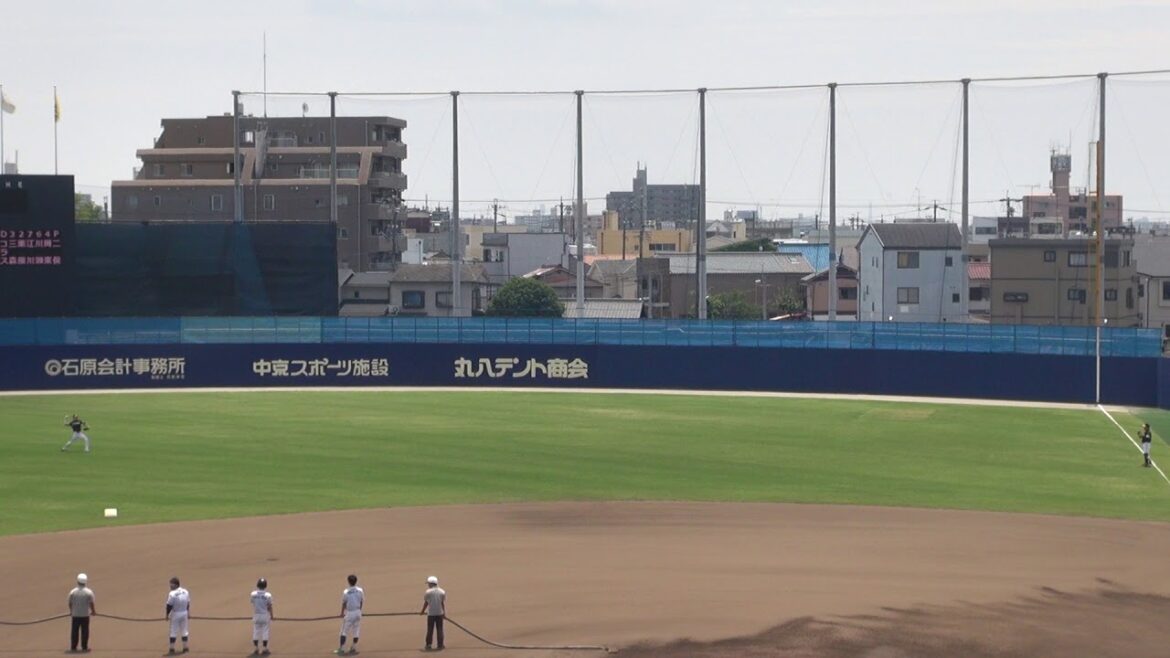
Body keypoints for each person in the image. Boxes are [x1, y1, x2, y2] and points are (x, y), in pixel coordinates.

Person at [68, 573, 96, 653]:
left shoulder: (73, 592)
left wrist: (71, 611)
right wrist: (93, 611)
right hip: (85, 615)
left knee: (74, 631)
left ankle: (73, 647)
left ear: (77, 581)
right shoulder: (88, 592)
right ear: (85, 582)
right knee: (85, 631)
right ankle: (84, 647)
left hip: (75, 615)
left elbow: (70, 603)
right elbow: (91, 603)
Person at [337, 574, 364, 655]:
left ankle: (341, 649)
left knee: (344, 632)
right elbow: (361, 601)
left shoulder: (346, 591)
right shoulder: (360, 590)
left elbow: (344, 603)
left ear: (348, 581)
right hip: (358, 612)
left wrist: (342, 613)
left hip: (349, 613)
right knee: (356, 630)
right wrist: (360, 610)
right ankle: (353, 647)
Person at [419, 575, 446, 651]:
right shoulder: (442, 591)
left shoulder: (428, 592)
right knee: (440, 629)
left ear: (432, 584)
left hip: (431, 614)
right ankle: (440, 645)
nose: (428, 585)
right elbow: (442, 603)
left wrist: (422, 611)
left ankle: (428, 645)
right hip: (439, 613)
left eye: (429, 583)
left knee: (430, 629)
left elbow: (426, 603)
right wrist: (444, 613)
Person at [166, 576, 190, 654]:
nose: (170, 586)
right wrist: (188, 612)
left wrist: (167, 615)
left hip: (176, 614)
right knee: (184, 630)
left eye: (171, 585)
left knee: (173, 631)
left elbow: (169, 605)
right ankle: (185, 648)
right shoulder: (185, 591)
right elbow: (188, 603)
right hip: (184, 613)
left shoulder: (172, 593)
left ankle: (171, 649)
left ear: (176, 585)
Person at [250, 578, 274, 656]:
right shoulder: (268, 595)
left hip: (256, 614)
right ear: (265, 585)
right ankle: (265, 648)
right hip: (265, 615)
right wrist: (272, 616)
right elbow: (269, 606)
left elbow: (253, 603)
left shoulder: (253, 594)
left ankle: (256, 648)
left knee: (256, 631)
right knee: (265, 631)